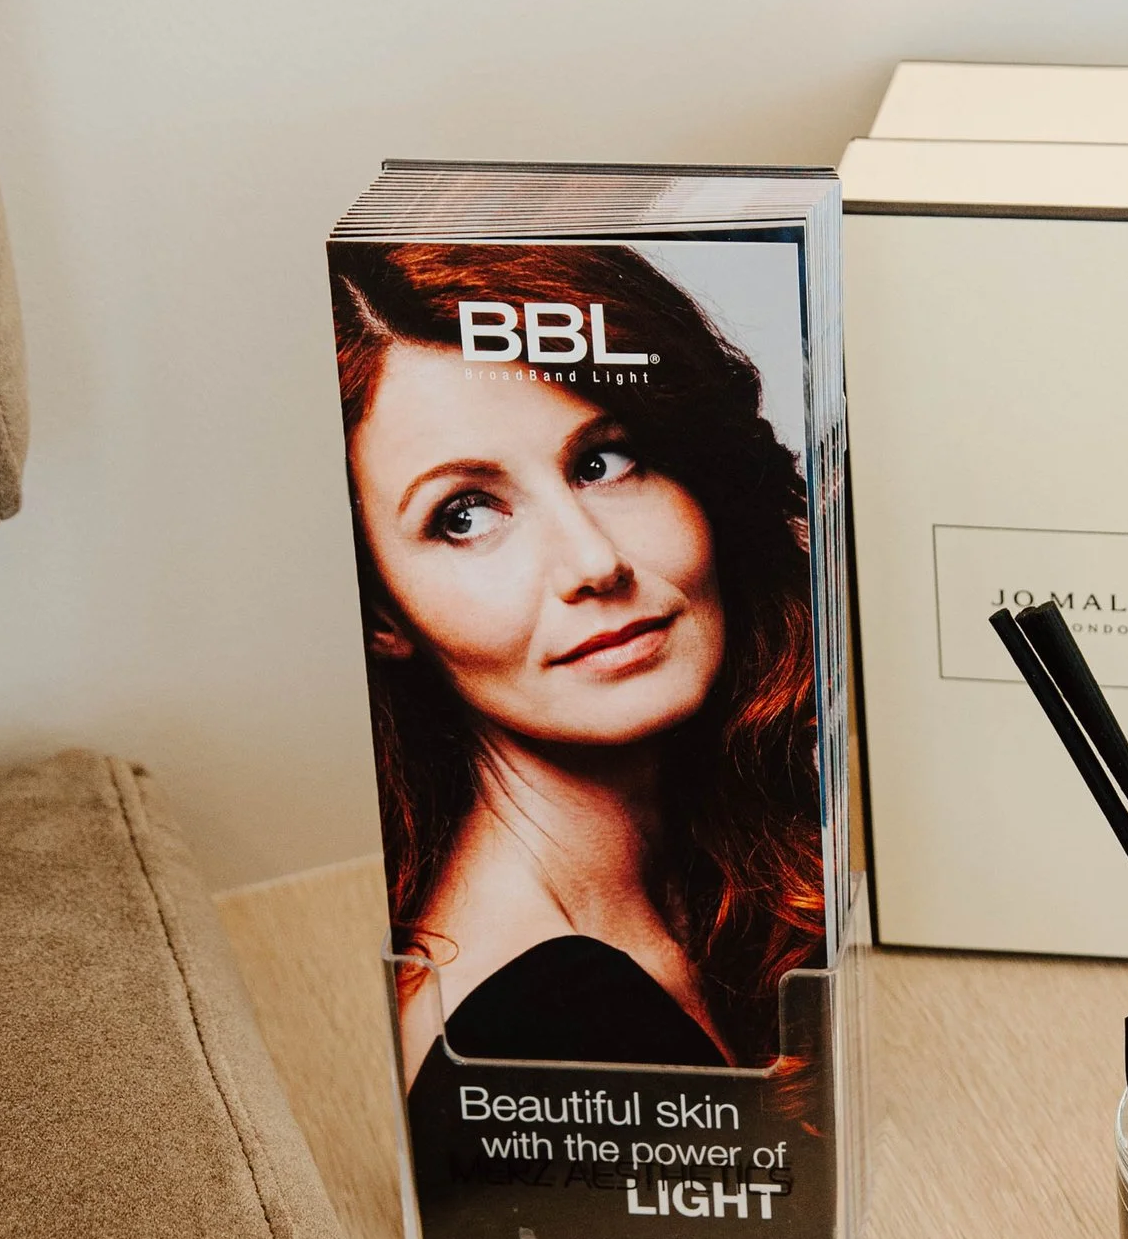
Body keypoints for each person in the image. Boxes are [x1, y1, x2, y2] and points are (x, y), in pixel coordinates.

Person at [333, 240, 825, 1090]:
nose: (594, 562)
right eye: (464, 515)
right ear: (382, 612)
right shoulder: (533, 1028)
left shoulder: (714, 871)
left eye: (603, 462)